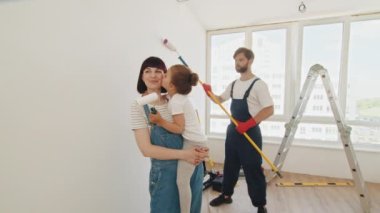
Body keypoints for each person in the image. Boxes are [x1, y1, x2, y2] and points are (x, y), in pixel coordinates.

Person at [131, 57, 208, 213]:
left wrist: (202, 151)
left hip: (193, 168)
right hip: (165, 177)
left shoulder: (176, 100)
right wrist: (185, 154)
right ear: (141, 76)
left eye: (158, 71)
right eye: (147, 71)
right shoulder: (138, 106)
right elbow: (146, 150)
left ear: (167, 78)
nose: (153, 75)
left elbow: (194, 130)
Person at [202, 47, 274, 213]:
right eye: (235, 60)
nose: (237, 63)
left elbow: (269, 109)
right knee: (230, 165)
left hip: (250, 133)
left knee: (253, 169)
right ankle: (226, 195)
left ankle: (260, 205)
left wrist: (248, 124)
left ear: (250, 61)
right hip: (233, 132)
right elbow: (220, 99)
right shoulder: (234, 84)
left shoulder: (259, 85)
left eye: (241, 60)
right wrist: (209, 93)